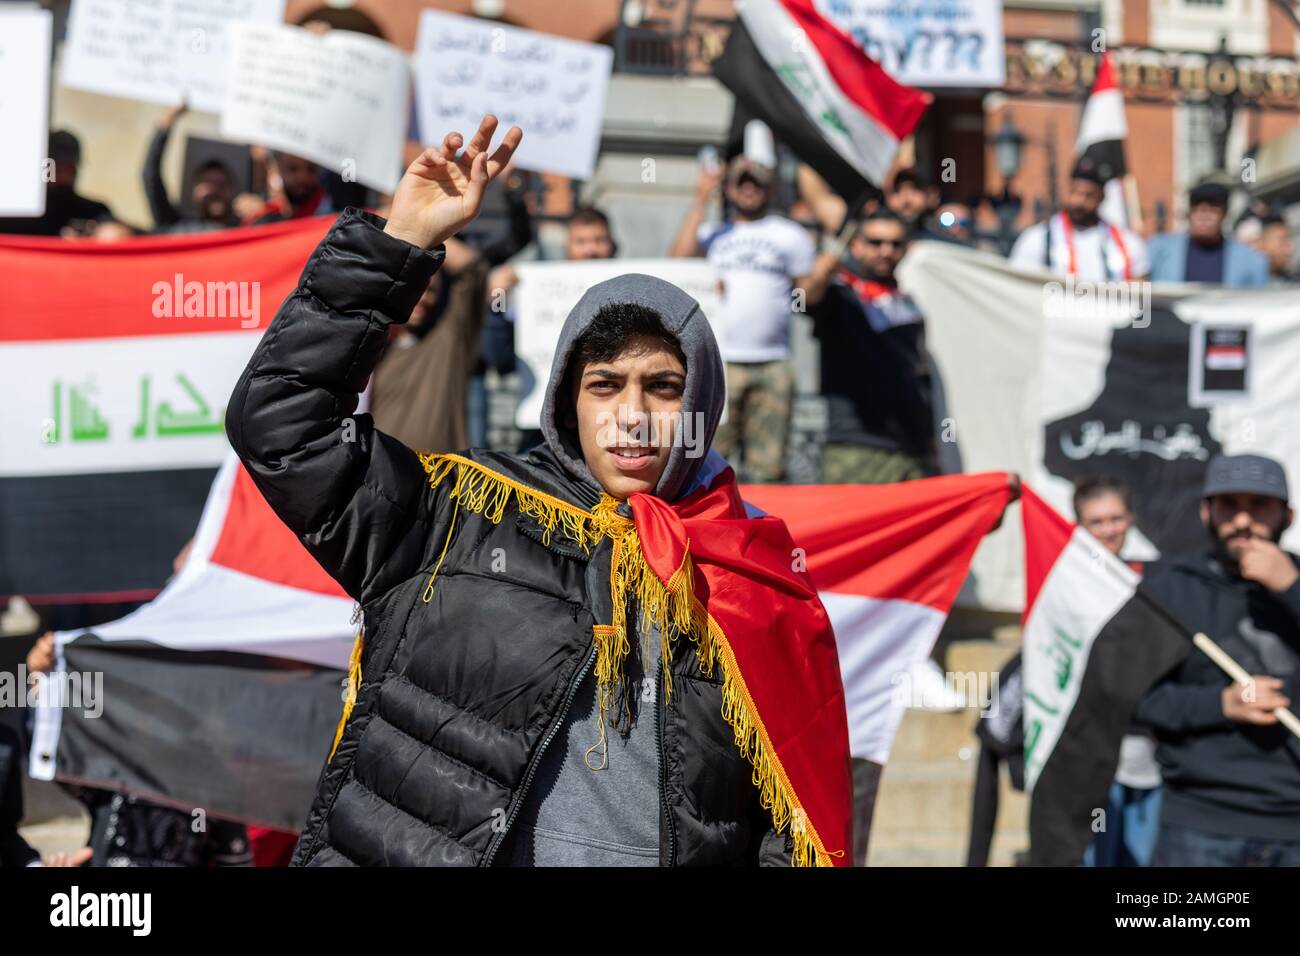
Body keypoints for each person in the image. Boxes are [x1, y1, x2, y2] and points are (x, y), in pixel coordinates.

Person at [225, 115, 853, 867]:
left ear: (701, 409)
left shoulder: (757, 580)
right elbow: (280, 424)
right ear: (566, 402)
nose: (632, 416)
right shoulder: (456, 515)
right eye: (604, 386)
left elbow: (792, 833)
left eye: (662, 388)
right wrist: (396, 245)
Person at [1135, 453, 1300, 866]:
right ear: (1206, 512)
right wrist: (1220, 705)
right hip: (1200, 826)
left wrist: (1292, 589)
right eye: (1230, 505)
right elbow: (1133, 700)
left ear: (1288, 516)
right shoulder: (1169, 590)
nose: (1243, 521)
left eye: (1259, 506)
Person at [670, 154, 815, 483]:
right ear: (729, 188)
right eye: (741, 182)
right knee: (702, 460)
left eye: (756, 183)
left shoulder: (791, 235)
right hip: (717, 362)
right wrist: (701, 198)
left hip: (774, 362)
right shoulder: (711, 233)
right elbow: (676, 260)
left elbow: (809, 293)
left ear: (771, 188)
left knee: (769, 468)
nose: (749, 189)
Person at [803, 209, 935, 483]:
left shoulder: (910, 300)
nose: (886, 251)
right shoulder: (840, 296)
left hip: (911, 448)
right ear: (857, 245)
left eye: (895, 244)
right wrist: (824, 265)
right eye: (876, 243)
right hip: (856, 445)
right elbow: (804, 299)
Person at [1073, 478, 1163, 867]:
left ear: (1131, 520)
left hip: (1147, 750)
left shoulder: (1153, 582)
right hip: (1090, 755)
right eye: (1097, 521)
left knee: (1141, 859)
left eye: (1116, 518)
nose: (1109, 530)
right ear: (1078, 525)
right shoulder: (1064, 586)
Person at [485, 205, 617, 452]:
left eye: (599, 240)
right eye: (581, 241)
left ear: (612, 244)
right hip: (543, 434)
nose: (590, 250)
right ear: (567, 245)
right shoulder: (535, 293)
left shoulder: (635, 286)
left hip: (613, 427)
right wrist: (498, 302)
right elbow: (499, 358)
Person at [1009, 158, 1149, 281]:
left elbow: (1141, 293)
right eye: (1074, 192)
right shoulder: (1038, 239)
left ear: (1101, 198)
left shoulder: (1129, 243)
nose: (1079, 201)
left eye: (1088, 195)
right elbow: (1020, 286)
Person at [1147, 177, 1270, 287]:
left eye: (1212, 210)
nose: (1204, 217)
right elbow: (1139, 300)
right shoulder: (1157, 250)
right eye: (1197, 209)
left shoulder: (1251, 261)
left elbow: (1260, 306)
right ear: (1189, 213)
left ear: (1224, 214)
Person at [141, 104, 240, 233]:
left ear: (233, 192)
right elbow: (150, 176)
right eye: (209, 184)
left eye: (221, 185)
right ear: (194, 192)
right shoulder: (174, 225)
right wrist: (167, 122)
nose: (215, 192)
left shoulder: (247, 230)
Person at [0, 130, 115, 237]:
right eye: (57, 169)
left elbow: (117, 236)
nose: (64, 176)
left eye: (70, 169)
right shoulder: (17, 214)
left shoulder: (95, 212)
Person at [886, 167, 939, 239]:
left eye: (914, 190)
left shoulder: (940, 230)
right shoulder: (876, 234)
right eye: (898, 190)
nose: (906, 200)